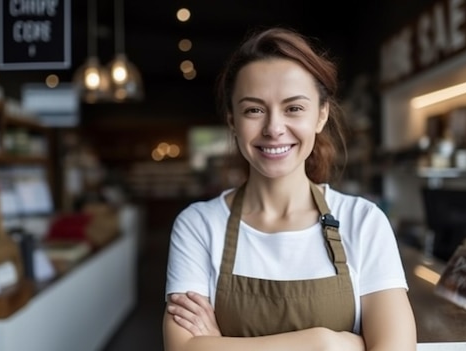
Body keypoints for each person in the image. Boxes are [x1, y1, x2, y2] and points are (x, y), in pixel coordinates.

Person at [163, 26, 417, 351]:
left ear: (321, 115)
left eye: (294, 108)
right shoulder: (198, 225)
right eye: (254, 110)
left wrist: (218, 344)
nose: (273, 128)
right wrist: (326, 343)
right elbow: (182, 348)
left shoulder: (363, 222)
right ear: (232, 121)